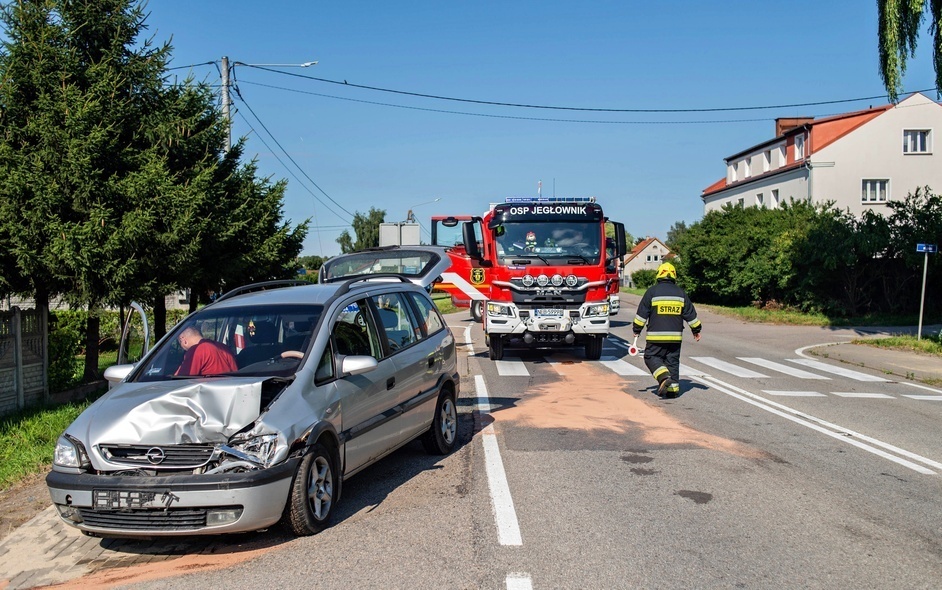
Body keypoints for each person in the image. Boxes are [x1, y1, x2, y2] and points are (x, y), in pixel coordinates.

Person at [632, 262, 701, 398]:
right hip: (675, 338)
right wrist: (696, 330)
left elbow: (641, 315)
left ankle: (663, 377)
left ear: (659, 275)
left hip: (656, 336)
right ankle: (672, 392)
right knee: (672, 362)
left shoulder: (652, 291)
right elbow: (691, 315)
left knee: (650, 357)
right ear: (674, 276)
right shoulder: (681, 293)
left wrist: (636, 329)